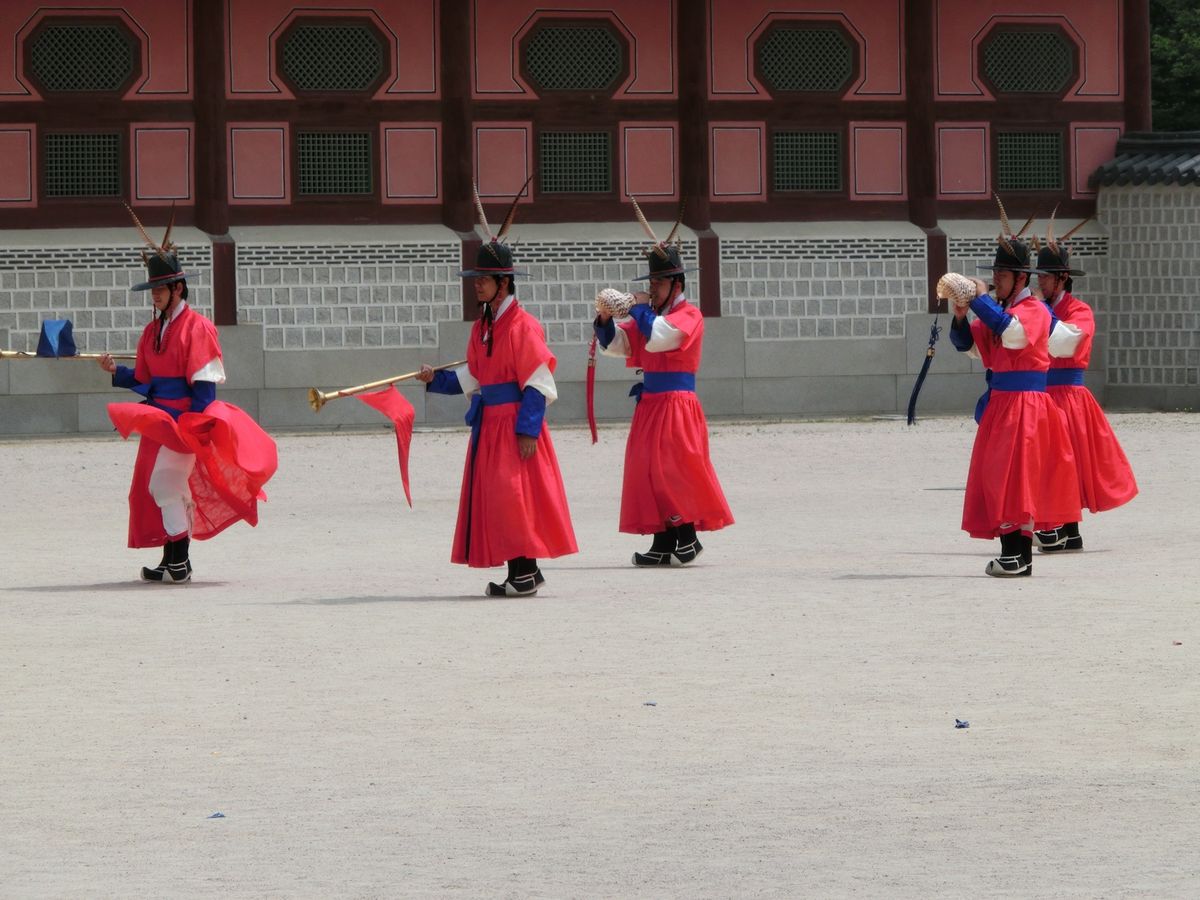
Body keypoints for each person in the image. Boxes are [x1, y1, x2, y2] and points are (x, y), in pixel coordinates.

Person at [98, 210, 277, 583]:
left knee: (164, 483)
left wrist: (195, 426)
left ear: (178, 289)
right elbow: (146, 380)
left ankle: (179, 560)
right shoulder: (153, 331)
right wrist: (116, 371)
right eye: (153, 290)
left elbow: (205, 385)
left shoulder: (198, 328)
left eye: (161, 289)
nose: (155, 295)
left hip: (185, 422)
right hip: (158, 420)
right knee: (160, 487)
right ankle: (173, 559)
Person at [416, 191, 577, 597]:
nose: (477, 285)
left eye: (484, 279)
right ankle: (522, 571)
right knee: (500, 497)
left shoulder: (523, 326)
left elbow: (538, 381)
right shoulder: (482, 328)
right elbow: (473, 377)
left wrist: (528, 430)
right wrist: (434, 379)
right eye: (476, 279)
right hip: (490, 424)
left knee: (515, 496)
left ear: (504, 283)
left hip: (514, 424)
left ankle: (524, 572)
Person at [592, 205, 734, 566]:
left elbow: (659, 338)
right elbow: (619, 344)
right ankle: (662, 540)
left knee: (674, 470)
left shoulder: (689, 315)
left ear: (677, 285)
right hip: (651, 402)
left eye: (658, 283)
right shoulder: (652, 316)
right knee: (646, 470)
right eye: (651, 283)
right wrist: (605, 319)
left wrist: (636, 307)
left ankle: (687, 536)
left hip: (676, 403)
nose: (652, 289)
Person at [947, 207, 1081, 577]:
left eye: (1002, 275)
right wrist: (960, 314)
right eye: (994, 275)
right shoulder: (1002, 311)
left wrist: (979, 299)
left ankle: (1018, 556)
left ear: (1021, 278)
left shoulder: (1033, 310)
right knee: (999, 478)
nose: (996, 281)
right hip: (1003, 404)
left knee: (1015, 480)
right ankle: (1016, 555)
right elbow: (967, 345)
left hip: (1026, 406)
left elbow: (1014, 334)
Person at [1031, 215, 1138, 552]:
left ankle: (1062, 527)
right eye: (1039, 276)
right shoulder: (1042, 308)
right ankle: (1068, 529)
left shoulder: (1080, 311)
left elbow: (1067, 342)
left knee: (1065, 462)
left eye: (1045, 277)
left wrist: (1039, 310)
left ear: (1062, 279)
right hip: (1044, 391)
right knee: (1053, 462)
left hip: (1067, 394)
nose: (1040, 282)